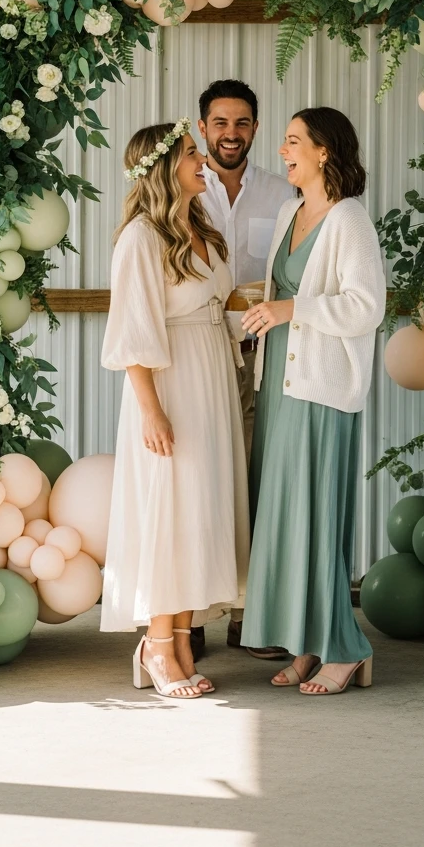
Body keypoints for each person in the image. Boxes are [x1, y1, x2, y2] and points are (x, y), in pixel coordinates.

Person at [100, 118, 249, 699]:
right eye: (192, 153)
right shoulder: (141, 238)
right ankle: (157, 643)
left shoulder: (204, 229)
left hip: (213, 375)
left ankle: (184, 636)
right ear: (163, 165)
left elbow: (221, 304)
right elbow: (133, 332)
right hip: (171, 382)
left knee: (202, 509)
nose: (204, 160)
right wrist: (150, 410)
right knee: (170, 508)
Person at [240, 107, 386, 696]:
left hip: (321, 388)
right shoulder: (289, 212)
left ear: (325, 151)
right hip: (278, 382)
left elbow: (365, 306)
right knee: (283, 517)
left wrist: (290, 310)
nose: (283, 150)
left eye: (293, 141)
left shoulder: (349, 219)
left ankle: (345, 647)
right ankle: (307, 642)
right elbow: (279, 290)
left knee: (317, 518)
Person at [197, 78, 294, 655]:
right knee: (205, 481)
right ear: (203, 126)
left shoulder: (284, 194)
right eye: (220, 123)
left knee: (256, 481)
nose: (230, 134)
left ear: (256, 128)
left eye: (242, 123)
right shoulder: (181, 190)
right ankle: (193, 616)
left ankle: (249, 616)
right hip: (202, 356)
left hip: (263, 359)